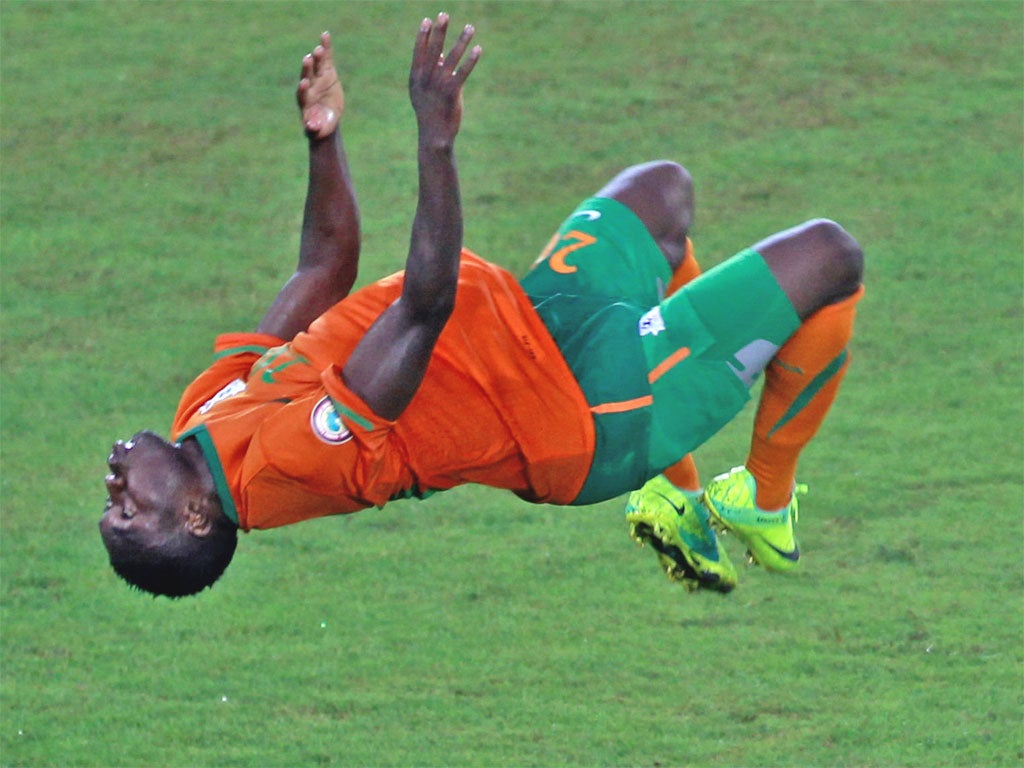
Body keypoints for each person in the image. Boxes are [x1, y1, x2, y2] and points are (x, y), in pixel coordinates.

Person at [100, 14, 864, 599]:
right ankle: (763, 503)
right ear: (196, 517)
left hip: (529, 322)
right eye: (128, 513)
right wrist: (436, 142)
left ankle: (677, 493)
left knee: (662, 195)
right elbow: (422, 309)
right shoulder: (293, 464)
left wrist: (323, 139)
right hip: (583, 417)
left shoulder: (203, 414)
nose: (114, 486)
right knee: (830, 256)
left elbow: (322, 267)